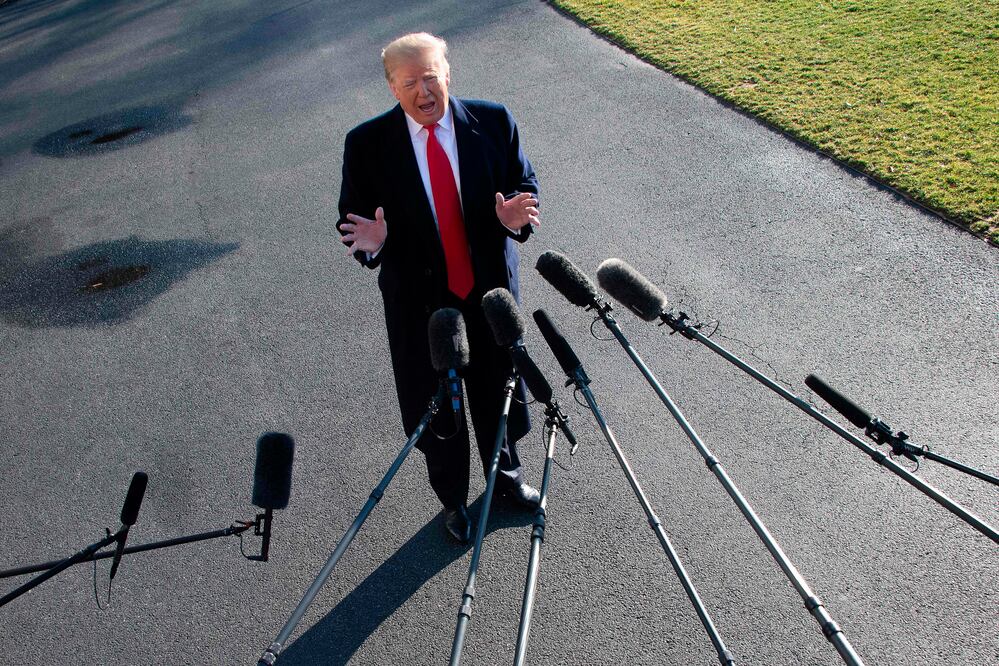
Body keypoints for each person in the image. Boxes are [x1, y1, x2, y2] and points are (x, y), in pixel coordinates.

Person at [337, 32, 541, 543]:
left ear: (447, 74)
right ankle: (452, 500)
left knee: (500, 391)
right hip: (422, 308)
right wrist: (374, 242)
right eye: (410, 83)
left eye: (431, 77)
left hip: (489, 295)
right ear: (392, 87)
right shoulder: (366, 145)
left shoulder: (494, 121)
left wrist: (514, 216)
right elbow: (354, 222)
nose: (424, 92)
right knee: (438, 408)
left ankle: (507, 476)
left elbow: (524, 185)